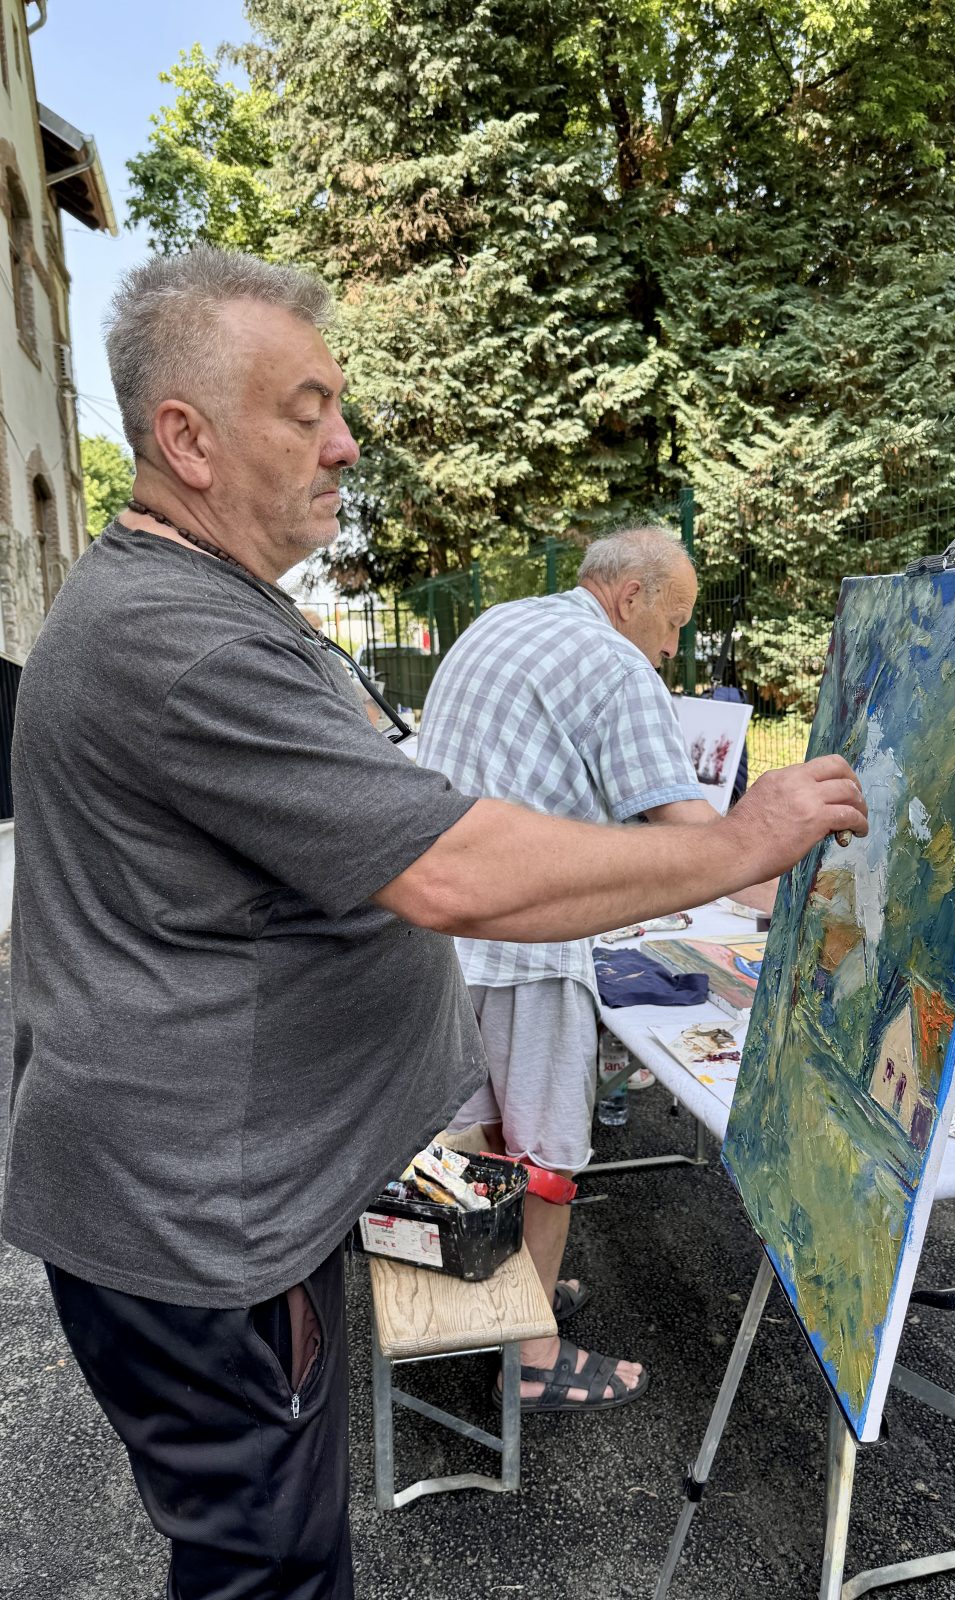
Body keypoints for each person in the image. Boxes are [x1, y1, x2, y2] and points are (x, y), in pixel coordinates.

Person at [1, 246, 867, 1600]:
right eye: (306, 411)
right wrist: (742, 843)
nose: (346, 443)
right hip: (201, 1224)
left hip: (222, 1202)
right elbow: (451, 870)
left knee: (273, 1550)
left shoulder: (212, 606)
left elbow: (379, 808)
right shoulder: (181, 637)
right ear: (189, 440)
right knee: (269, 1570)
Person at [418, 528, 765, 1414]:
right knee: (548, 1151)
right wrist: (789, 866)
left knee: (469, 1134)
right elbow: (698, 838)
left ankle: (497, 1299)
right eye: (675, 621)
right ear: (630, 596)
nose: (674, 646)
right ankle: (531, 1355)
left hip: (438, 928)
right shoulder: (616, 665)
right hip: (528, 940)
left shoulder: (504, 621)